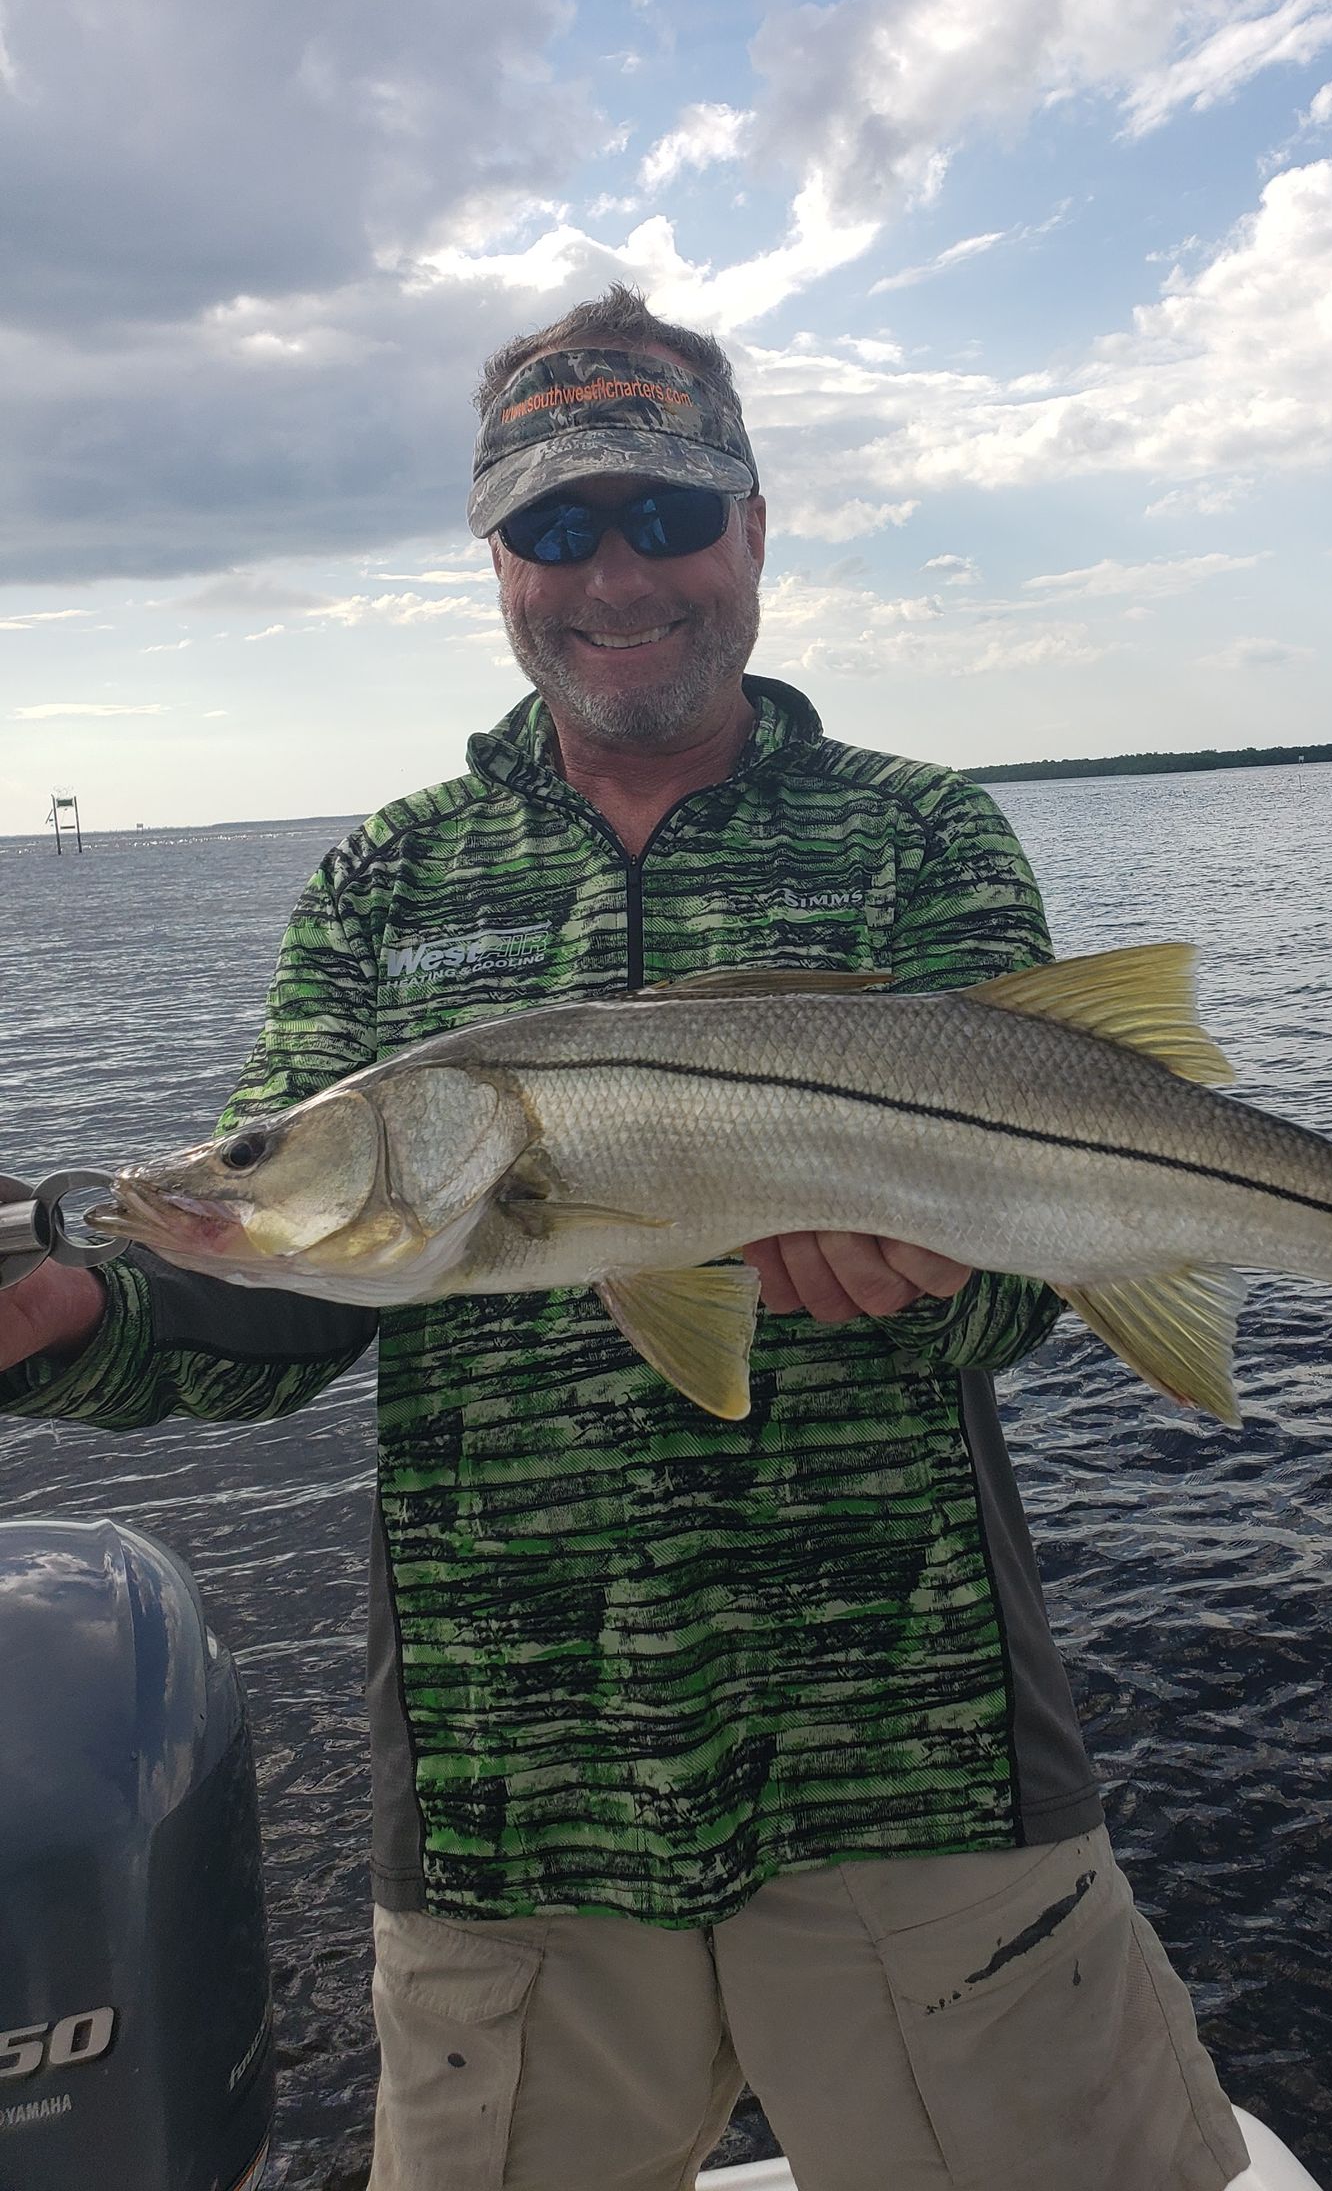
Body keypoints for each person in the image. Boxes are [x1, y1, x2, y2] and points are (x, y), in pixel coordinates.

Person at [0, 288, 1250, 2191]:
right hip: (517, 1792)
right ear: (495, 561)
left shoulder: (918, 840)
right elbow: (288, 1280)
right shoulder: (386, 877)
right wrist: (73, 1303)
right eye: (555, 529)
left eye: (663, 518)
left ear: (753, 532)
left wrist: (948, 1290)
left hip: (912, 1756)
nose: (614, 575)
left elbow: (1014, 1297)